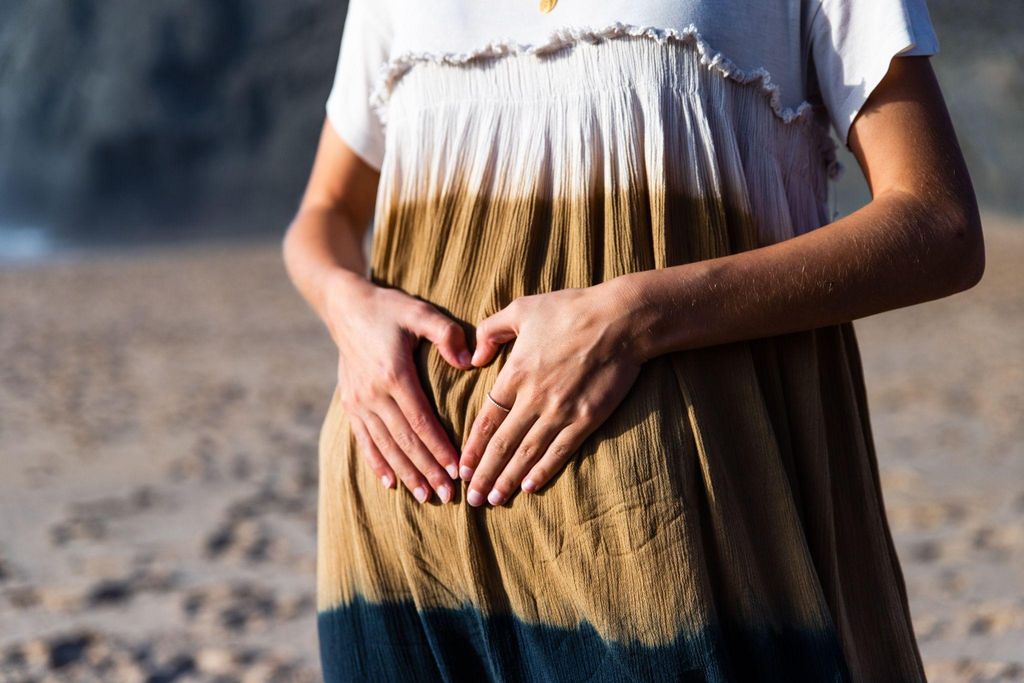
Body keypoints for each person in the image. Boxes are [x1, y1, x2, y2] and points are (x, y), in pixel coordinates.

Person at [281, 0, 984, 679]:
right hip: (394, 531)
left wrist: (636, 315)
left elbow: (937, 220)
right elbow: (327, 210)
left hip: (673, 543)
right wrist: (348, 307)